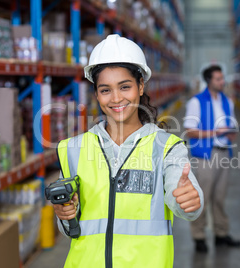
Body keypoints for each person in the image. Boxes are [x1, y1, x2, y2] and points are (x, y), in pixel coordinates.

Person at [52, 34, 204, 268]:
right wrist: (65, 215)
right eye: (105, 90)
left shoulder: (166, 147)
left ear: (140, 86)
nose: (116, 98)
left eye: (125, 87)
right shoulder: (74, 148)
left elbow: (184, 199)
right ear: (96, 94)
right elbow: (72, 228)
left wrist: (190, 200)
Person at [184, 65, 240, 253]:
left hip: (224, 152)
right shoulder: (196, 102)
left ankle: (221, 234)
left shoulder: (227, 101)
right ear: (209, 81)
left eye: (222, 78)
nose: (222, 82)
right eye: (218, 79)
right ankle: (199, 236)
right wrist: (214, 132)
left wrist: (231, 133)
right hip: (206, 156)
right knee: (202, 197)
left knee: (220, 197)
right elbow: (190, 131)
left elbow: (229, 125)